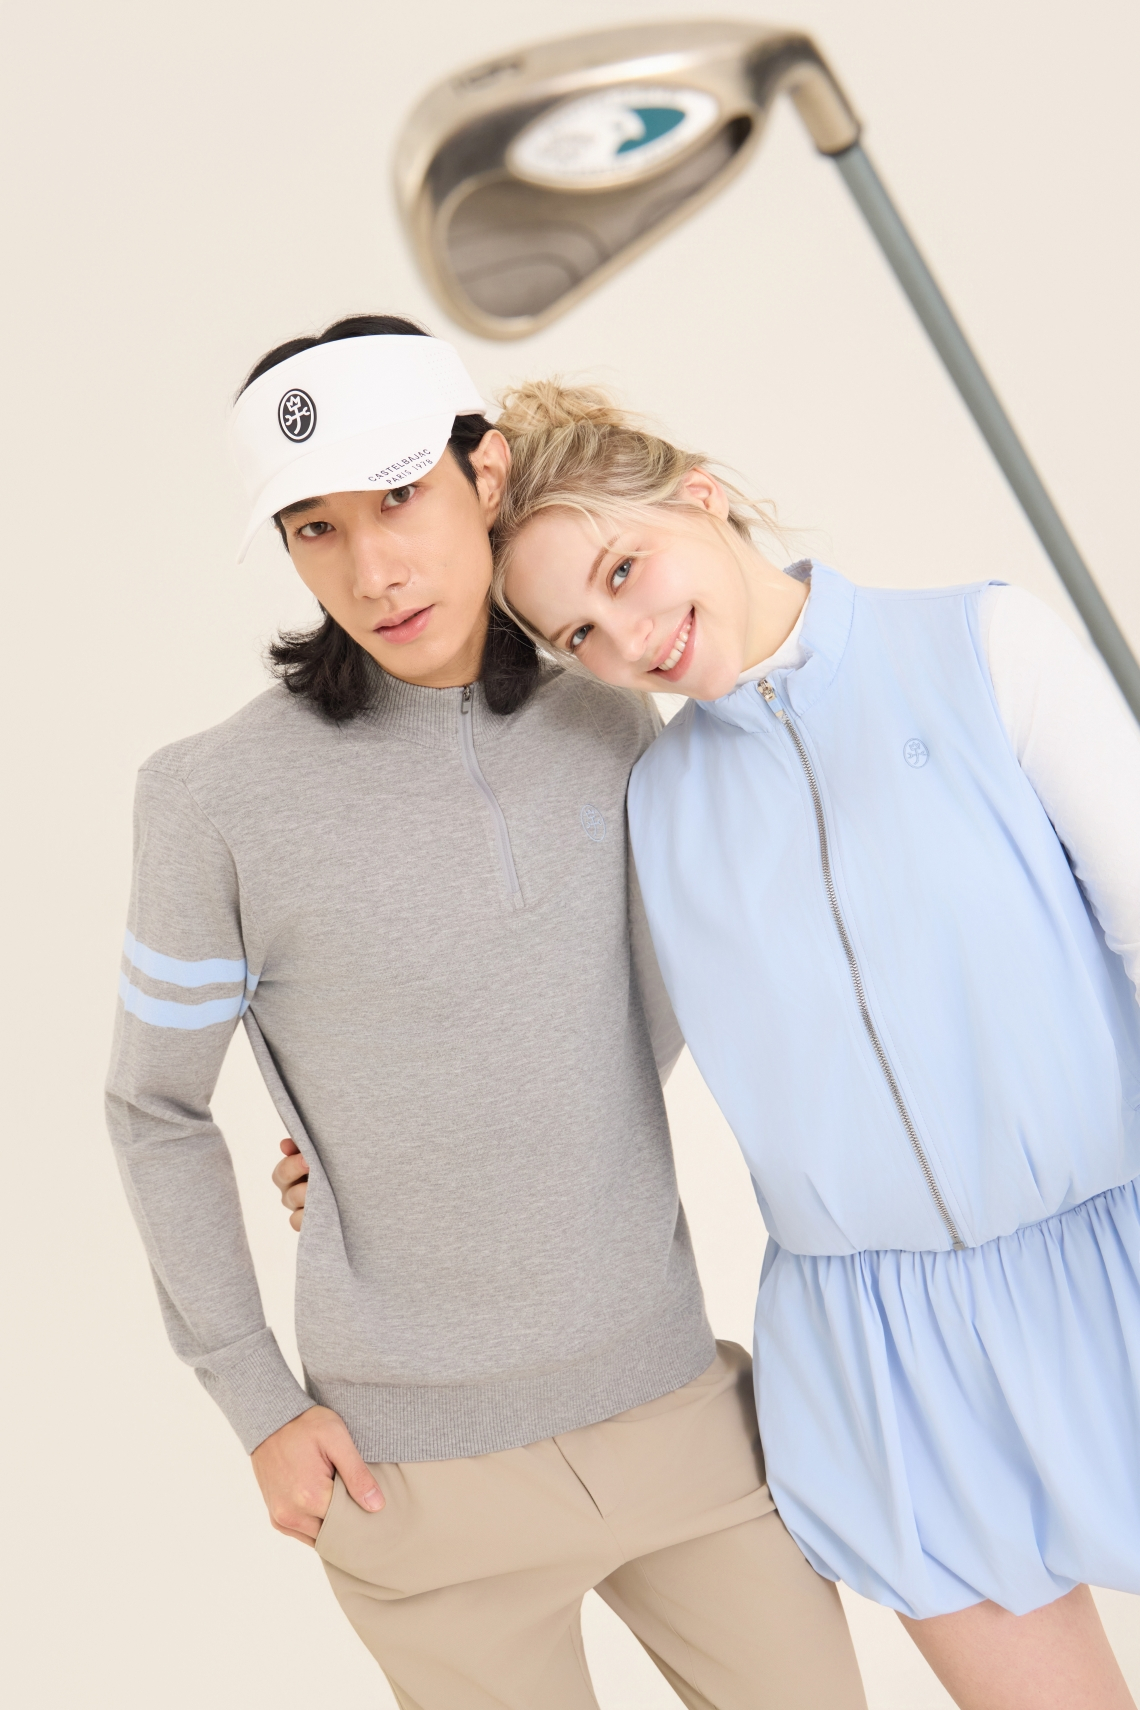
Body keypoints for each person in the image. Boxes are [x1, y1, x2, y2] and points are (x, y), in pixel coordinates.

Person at [105, 316, 866, 1710]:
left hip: (678, 1413)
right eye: (316, 528)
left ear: (486, 470)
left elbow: (647, 1017)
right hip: (418, 1482)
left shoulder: (609, 715)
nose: (373, 569)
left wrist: (418, 1123)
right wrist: (255, 1399)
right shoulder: (211, 800)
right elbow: (152, 1106)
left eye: (400, 495)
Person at [491, 380, 1140, 1710]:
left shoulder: (982, 647)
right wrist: (363, 1151)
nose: (628, 637)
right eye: (579, 633)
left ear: (700, 493)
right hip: (891, 1362)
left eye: (624, 570)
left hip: (1113, 1257)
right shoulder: (656, 805)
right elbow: (586, 1066)